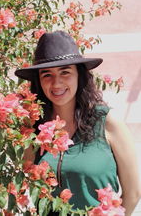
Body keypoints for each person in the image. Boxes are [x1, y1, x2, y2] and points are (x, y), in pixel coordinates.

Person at [15, 30, 141, 216]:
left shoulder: (107, 123)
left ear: (79, 75)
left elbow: (133, 194)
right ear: (39, 82)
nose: (56, 83)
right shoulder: (32, 130)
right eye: (47, 75)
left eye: (65, 72)